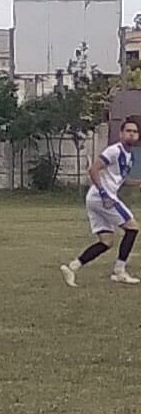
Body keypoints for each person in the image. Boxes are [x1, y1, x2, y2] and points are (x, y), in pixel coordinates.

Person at [61, 116, 141, 287]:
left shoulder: (129, 156)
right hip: (103, 197)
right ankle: (119, 272)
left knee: (106, 242)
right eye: (128, 131)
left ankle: (72, 267)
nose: (131, 134)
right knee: (133, 228)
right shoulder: (114, 150)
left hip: (95, 198)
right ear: (121, 133)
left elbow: (120, 180)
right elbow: (94, 169)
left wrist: (138, 183)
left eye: (135, 132)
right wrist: (104, 195)